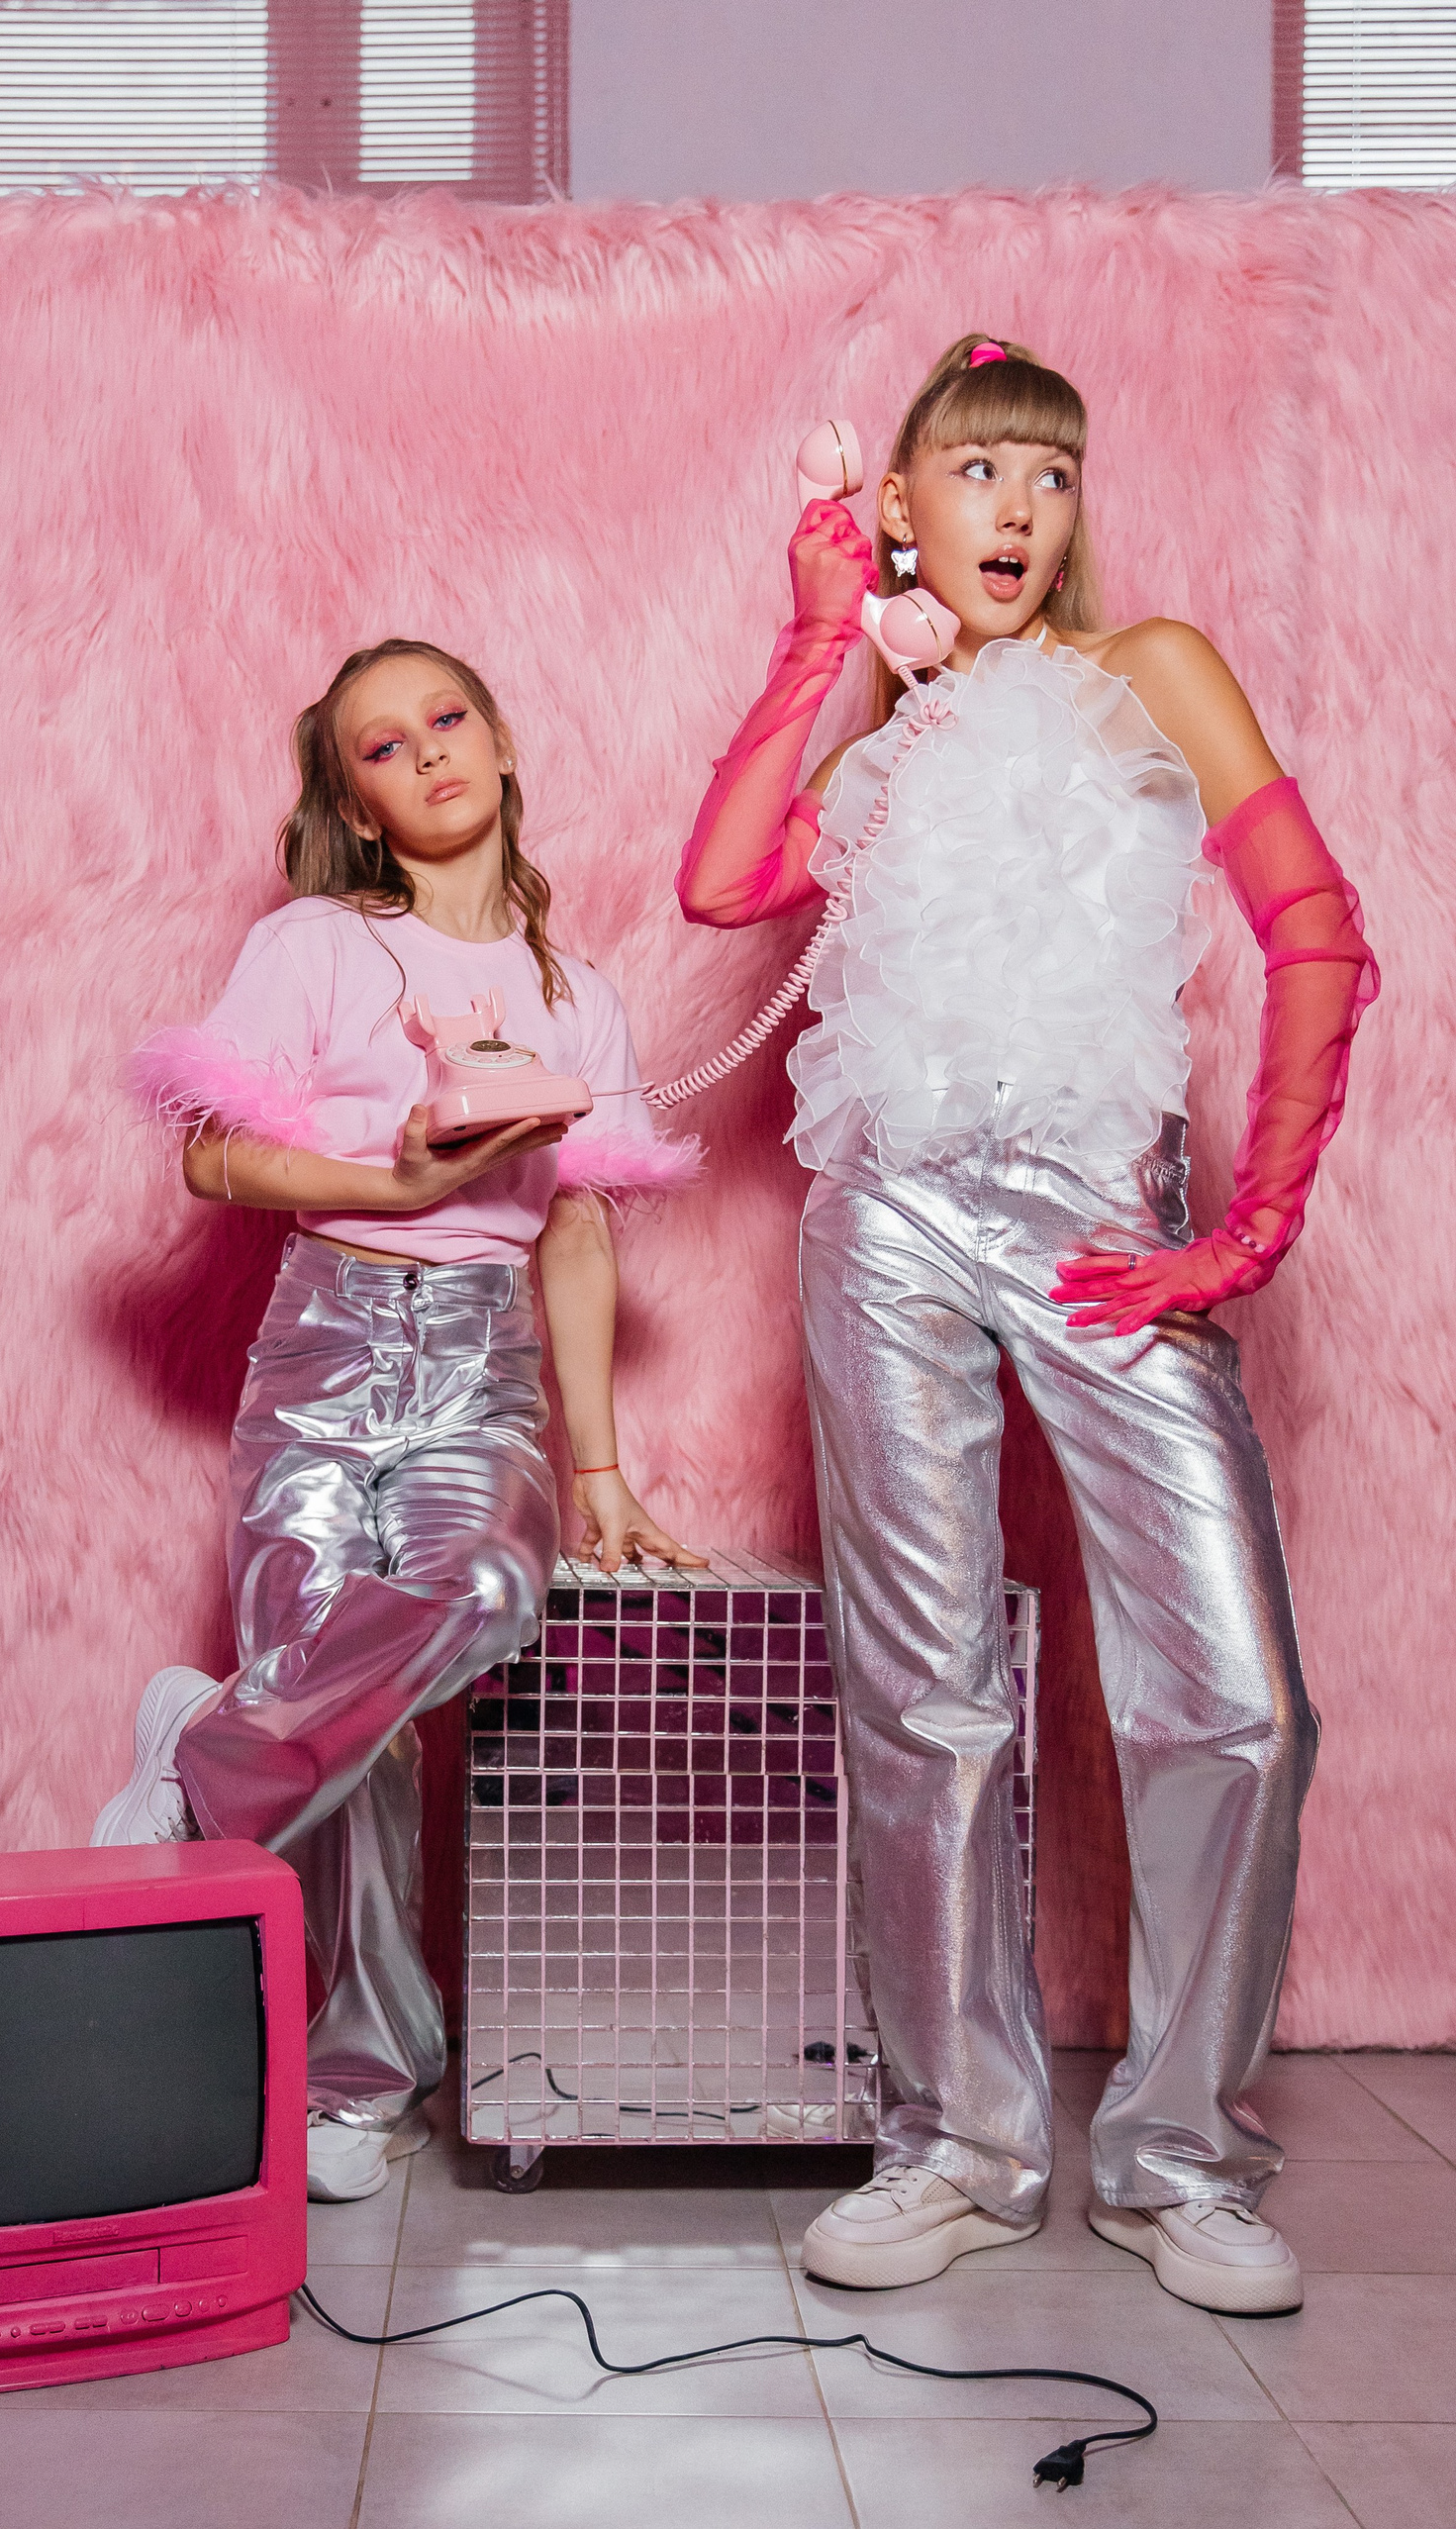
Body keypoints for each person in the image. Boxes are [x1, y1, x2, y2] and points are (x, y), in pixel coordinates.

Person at [676, 336, 1377, 2316]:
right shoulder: (886, 755)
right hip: (887, 1216)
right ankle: (959, 2148)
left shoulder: (1150, 672)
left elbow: (1317, 928)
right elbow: (721, 883)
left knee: (1238, 1700)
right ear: (904, 508)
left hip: (1094, 1218)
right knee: (925, 1692)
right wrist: (823, 634)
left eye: (1050, 474)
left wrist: (1250, 1228)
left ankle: (1182, 2161)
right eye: (978, 470)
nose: (1022, 507)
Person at [95, 636, 704, 2204]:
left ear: (500, 743)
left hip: (479, 1368)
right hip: (324, 1344)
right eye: (383, 745)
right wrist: (398, 1180)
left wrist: (598, 1468)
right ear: (358, 805)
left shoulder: (578, 999)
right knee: (348, 1724)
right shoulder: (313, 945)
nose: (426, 752)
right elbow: (210, 1159)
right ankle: (362, 2080)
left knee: (485, 1589)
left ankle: (202, 1757)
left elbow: (576, 1233)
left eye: (446, 719)